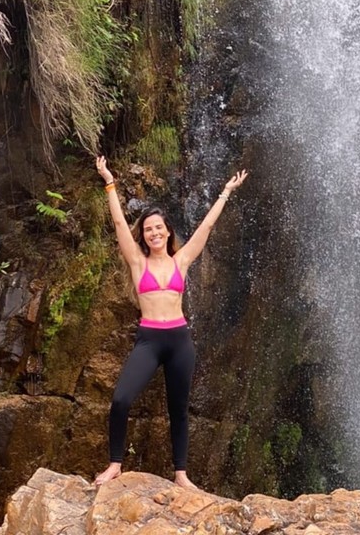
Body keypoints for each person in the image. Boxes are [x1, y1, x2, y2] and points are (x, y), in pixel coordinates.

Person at [94, 155, 248, 488]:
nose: (153, 233)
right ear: (144, 236)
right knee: (121, 399)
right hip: (150, 340)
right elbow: (120, 225)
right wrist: (109, 181)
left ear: (167, 231)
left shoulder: (181, 261)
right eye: (148, 229)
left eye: (158, 228)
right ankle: (115, 465)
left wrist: (225, 192)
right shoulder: (137, 262)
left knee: (178, 409)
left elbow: (206, 227)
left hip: (179, 341)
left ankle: (181, 474)